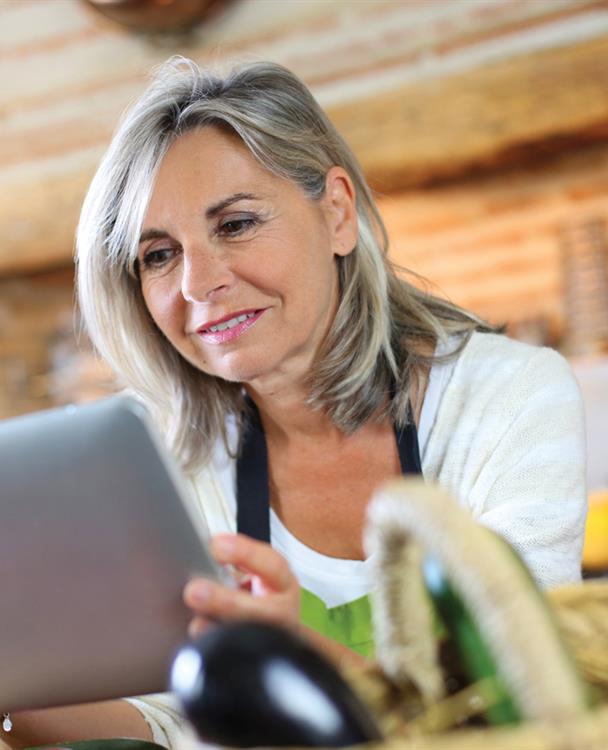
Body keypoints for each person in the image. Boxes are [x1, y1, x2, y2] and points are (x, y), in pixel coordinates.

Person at [4, 57, 586, 749]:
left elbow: (528, 701)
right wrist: (14, 696)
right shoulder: (157, 453)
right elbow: (169, 725)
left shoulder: (507, 398)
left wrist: (299, 661)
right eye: (158, 255)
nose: (197, 283)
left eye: (237, 224)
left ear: (337, 213)